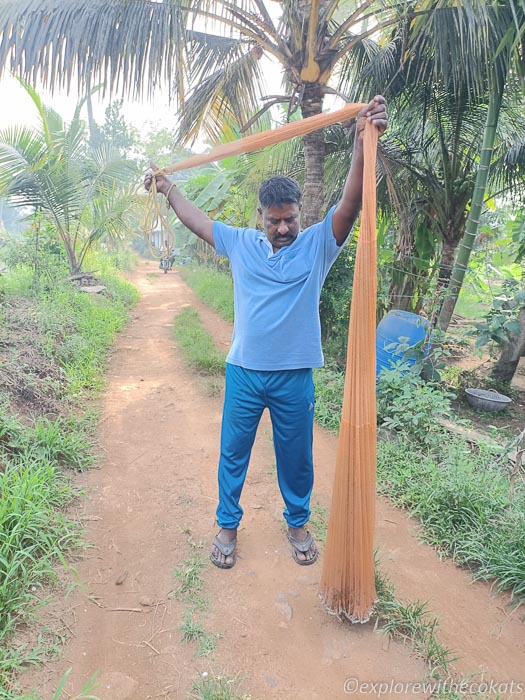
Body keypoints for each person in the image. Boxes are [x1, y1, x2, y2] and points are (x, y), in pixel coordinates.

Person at [145, 95, 387, 569]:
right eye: (274, 220)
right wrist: (168, 189)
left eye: (290, 219)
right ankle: (227, 526)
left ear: (300, 214)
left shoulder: (318, 245)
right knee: (232, 454)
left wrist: (362, 142)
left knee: (295, 458)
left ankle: (298, 522)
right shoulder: (241, 243)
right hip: (244, 373)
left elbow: (351, 202)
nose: (282, 228)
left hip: (294, 377)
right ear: (261, 217)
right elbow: (196, 221)